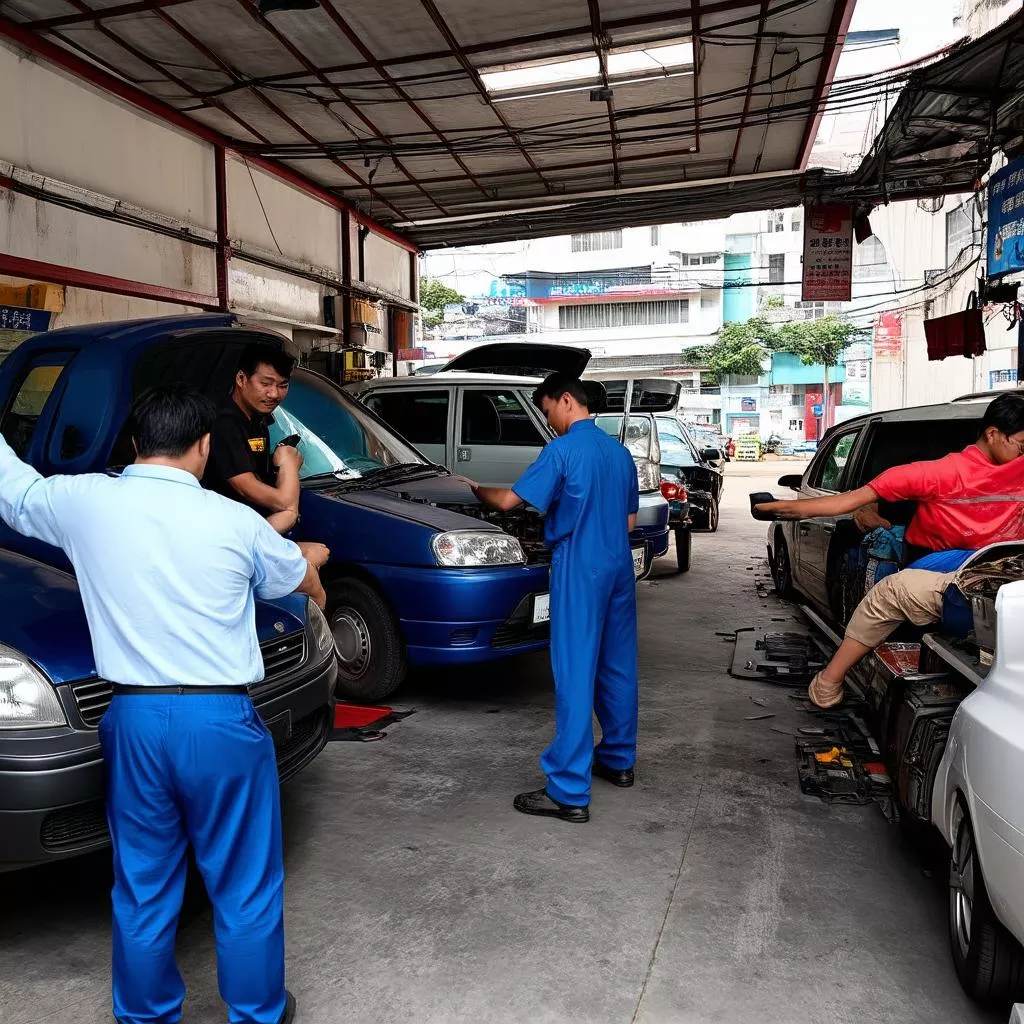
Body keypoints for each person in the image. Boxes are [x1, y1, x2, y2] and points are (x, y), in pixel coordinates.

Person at [0, 383, 328, 1024]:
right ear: (204, 448)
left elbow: (13, 489)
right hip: (221, 723)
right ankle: (257, 1011)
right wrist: (307, 559)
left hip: (134, 720)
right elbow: (298, 579)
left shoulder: (84, 501)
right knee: (243, 881)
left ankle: (146, 1014)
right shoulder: (233, 520)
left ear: (131, 443)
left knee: (144, 882)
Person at [756, 391, 1024, 707]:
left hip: (975, 579)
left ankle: (828, 681)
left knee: (887, 595)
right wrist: (778, 508)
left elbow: (843, 502)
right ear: (993, 433)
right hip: (998, 581)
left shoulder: (936, 473)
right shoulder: (943, 475)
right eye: (1022, 446)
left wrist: (772, 508)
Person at [468, 373, 640, 823]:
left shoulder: (562, 451)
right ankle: (619, 760)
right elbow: (627, 525)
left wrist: (473, 488)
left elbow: (507, 502)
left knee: (574, 670)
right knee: (617, 664)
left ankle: (569, 790)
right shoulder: (620, 454)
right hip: (618, 566)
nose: (550, 422)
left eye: (548, 411)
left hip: (580, 568)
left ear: (566, 400)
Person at [205, 343, 302, 534]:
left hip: (249, 523)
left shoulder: (257, 418)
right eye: (265, 384)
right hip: (225, 534)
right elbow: (250, 490)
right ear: (241, 379)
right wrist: (288, 465)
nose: (274, 394)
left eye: (283, 385)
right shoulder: (224, 423)